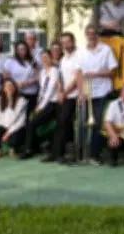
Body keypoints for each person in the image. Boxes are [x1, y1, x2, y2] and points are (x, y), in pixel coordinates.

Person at [77, 26, 118, 164]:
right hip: (86, 92)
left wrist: (96, 74)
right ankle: (81, 155)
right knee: (82, 123)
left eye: (93, 33)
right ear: (85, 35)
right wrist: (80, 92)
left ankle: (94, 155)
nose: (91, 36)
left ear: (97, 35)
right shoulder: (81, 52)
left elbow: (113, 71)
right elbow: (78, 73)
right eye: (88, 34)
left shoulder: (106, 49)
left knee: (98, 124)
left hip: (102, 92)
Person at [44, 32, 81, 163]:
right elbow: (60, 77)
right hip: (64, 96)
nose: (66, 44)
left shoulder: (79, 56)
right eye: (63, 42)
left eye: (68, 41)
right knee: (63, 124)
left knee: (64, 123)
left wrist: (64, 93)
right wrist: (60, 91)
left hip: (74, 96)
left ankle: (60, 153)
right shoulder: (64, 58)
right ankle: (60, 153)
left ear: (73, 41)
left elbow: (77, 78)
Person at [20, 51, 60, 159]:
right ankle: (33, 147)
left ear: (51, 58)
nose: (44, 59)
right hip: (44, 102)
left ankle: (29, 149)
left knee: (33, 123)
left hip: (53, 103)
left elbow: (50, 89)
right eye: (42, 58)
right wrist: (39, 102)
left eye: (46, 57)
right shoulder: (42, 72)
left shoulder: (54, 70)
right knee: (31, 123)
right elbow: (42, 89)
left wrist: (41, 106)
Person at [3, 41, 39, 120]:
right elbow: (6, 77)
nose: (22, 51)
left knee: (29, 116)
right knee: (18, 116)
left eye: (24, 49)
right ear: (16, 50)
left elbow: (38, 77)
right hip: (17, 93)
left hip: (31, 93)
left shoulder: (33, 62)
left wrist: (28, 83)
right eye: (20, 49)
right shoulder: (10, 61)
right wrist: (15, 85)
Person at [0, 79, 27, 158]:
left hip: (15, 127)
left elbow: (21, 121)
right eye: (7, 86)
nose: (9, 88)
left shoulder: (21, 101)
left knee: (17, 135)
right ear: (3, 89)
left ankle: (12, 149)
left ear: (15, 87)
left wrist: (9, 132)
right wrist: (5, 129)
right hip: (3, 125)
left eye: (11, 86)